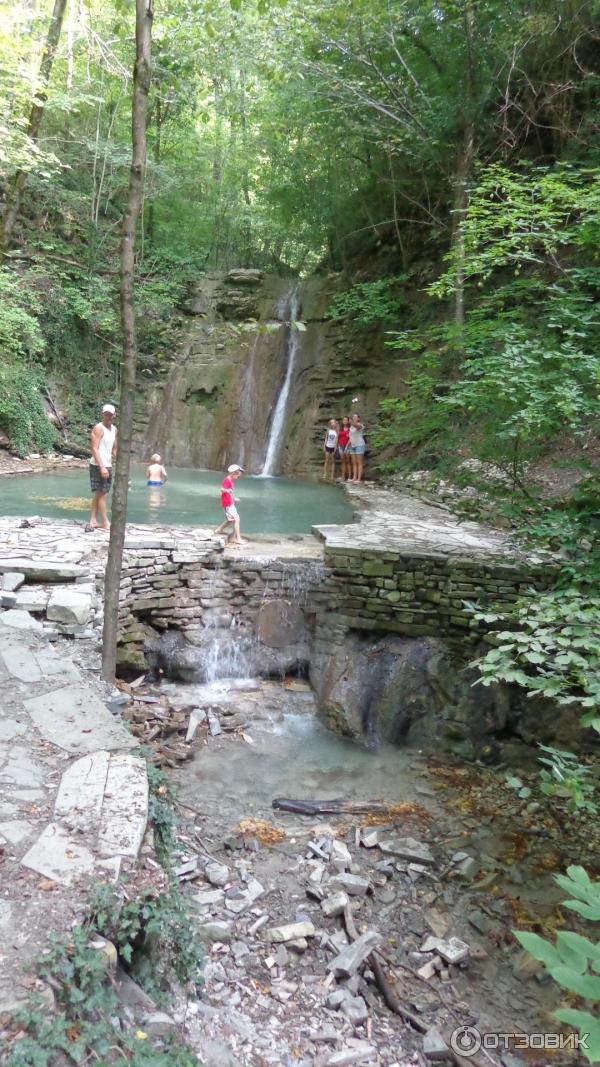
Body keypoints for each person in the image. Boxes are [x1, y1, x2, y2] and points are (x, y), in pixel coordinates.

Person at [88, 403, 117, 530]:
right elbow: (94, 449)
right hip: (98, 465)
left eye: (110, 414)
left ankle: (93, 520)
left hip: (108, 464)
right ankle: (105, 522)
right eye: (106, 414)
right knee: (103, 493)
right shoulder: (98, 428)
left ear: (114, 415)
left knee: (100, 493)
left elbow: (114, 448)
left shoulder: (115, 430)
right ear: (102, 414)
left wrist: (117, 459)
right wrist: (102, 467)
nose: (108, 416)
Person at [215, 463, 245, 544]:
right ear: (233, 473)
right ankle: (237, 538)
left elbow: (229, 493)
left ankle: (219, 529)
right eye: (238, 475)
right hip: (227, 504)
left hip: (230, 502)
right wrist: (227, 490)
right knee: (236, 519)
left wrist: (234, 498)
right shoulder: (227, 480)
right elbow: (222, 489)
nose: (239, 476)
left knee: (231, 520)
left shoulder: (231, 480)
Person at [348, 413, 366, 483]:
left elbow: (357, 427)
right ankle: (354, 477)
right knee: (354, 463)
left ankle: (359, 479)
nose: (354, 418)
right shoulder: (351, 427)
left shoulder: (360, 425)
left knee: (359, 462)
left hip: (359, 445)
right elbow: (350, 437)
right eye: (353, 417)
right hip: (352, 445)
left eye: (355, 417)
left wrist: (351, 423)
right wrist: (347, 446)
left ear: (358, 418)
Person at [337, 415, 351, 481]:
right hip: (341, 446)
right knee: (343, 461)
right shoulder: (340, 428)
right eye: (344, 420)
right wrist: (337, 445)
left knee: (348, 461)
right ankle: (343, 476)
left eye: (346, 420)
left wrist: (347, 446)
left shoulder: (350, 428)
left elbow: (351, 438)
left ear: (348, 421)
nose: (345, 421)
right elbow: (338, 437)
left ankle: (349, 477)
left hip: (347, 446)